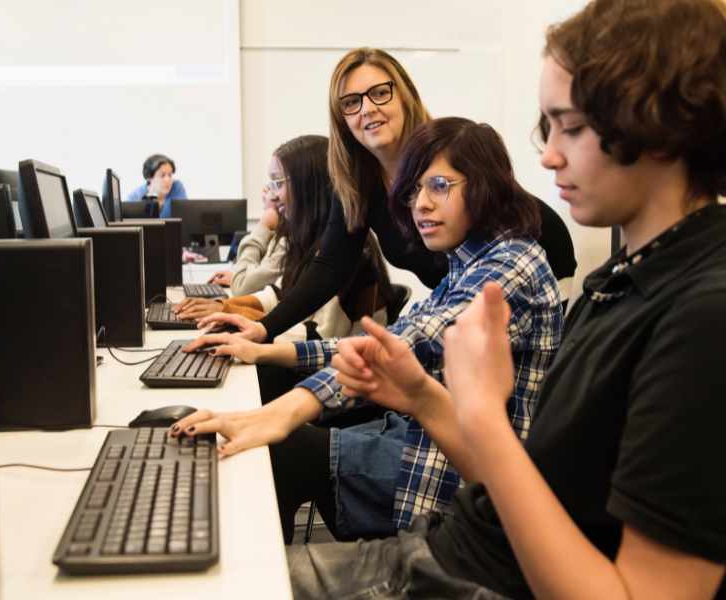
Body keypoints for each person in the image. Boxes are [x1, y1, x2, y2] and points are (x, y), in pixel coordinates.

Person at [259, 0, 726, 598]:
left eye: (572, 126)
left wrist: (480, 414)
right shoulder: (618, 284)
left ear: (661, 123)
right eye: (547, 128)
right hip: (454, 547)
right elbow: (539, 488)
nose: (549, 155)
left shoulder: (702, 319)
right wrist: (426, 397)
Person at [171, 117, 564, 545]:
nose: (420, 205)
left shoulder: (506, 268)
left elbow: (401, 347)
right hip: (418, 435)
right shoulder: (468, 260)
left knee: (278, 453)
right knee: (275, 441)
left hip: (457, 474)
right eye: (414, 190)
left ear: (486, 184)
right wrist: (268, 352)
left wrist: (277, 414)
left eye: (438, 186)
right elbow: (389, 338)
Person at [197, 47, 576, 344]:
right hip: (451, 312)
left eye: (380, 93)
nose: (368, 109)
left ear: (404, 95)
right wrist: (265, 329)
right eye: (352, 102)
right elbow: (329, 269)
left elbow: (480, 269)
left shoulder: (446, 154)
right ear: (342, 117)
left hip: (538, 262)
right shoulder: (357, 182)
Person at [174, 135, 392, 342]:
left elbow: (317, 335)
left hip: (337, 370)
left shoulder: (343, 251)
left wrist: (231, 313)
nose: (272, 195)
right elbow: (277, 297)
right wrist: (224, 305)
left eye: (279, 183)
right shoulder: (304, 238)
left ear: (310, 187)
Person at [126, 153, 187, 218]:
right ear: (149, 178)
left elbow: (182, 216)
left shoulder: (177, 187)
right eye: (162, 175)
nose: (168, 180)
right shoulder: (135, 196)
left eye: (170, 175)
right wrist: (151, 197)